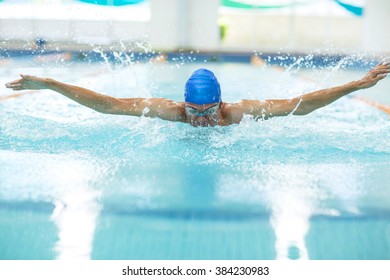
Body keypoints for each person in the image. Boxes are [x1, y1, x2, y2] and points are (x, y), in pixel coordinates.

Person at [4, 60, 390, 127]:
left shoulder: (238, 113)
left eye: (207, 112)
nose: (201, 120)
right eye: (194, 111)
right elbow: (107, 105)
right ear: (182, 104)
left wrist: (356, 85)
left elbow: (300, 105)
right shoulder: (169, 112)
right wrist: (51, 85)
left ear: (221, 104)